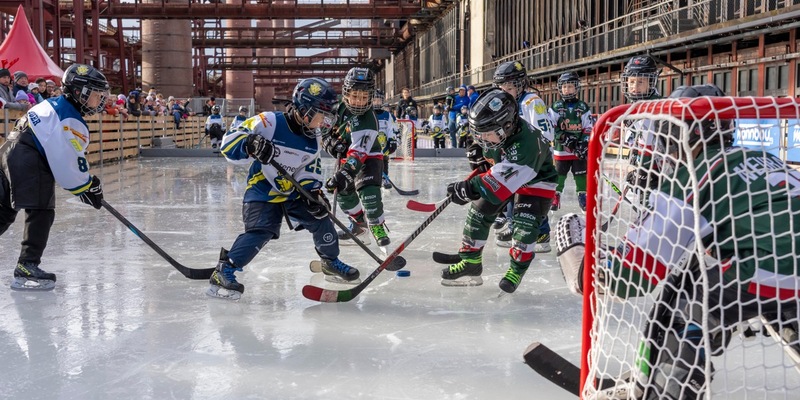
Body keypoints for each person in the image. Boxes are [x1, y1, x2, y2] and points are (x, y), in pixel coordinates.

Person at [555, 84, 800, 400]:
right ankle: (652, 377)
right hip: (782, 260)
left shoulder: (696, 173)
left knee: (685, 309)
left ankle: (667, 392)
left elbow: (631, 276)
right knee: (710, 283)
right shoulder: (760, 156)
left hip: (772, 266)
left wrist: (578, 260)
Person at [212, 78, 358, 300]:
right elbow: (229, 142)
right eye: (320, 114)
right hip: (262, 189)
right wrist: (250, 143)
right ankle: (225, 269)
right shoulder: (269, 122)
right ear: (303, 109)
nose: (323, 122)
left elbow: (308, 170)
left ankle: (329, 262)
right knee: (261, 231)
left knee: (321, 217)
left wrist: (313, 193)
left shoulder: (313, 137)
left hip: (293, 191)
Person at [0, 63, 109, 291]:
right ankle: (27, 265)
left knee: (5, 210)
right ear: (80, 92)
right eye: (96, 94)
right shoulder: (70, 118)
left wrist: (84, 185)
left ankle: (27, 264)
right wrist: (86, 186)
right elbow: (67, 160)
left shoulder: (54, 104)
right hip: (29, 157)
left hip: (10, 151)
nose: (99, 100)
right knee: (42, 210)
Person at [441, 88, 557, 293]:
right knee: (477, 213)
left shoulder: (526, 144)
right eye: (479, 133)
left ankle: (516, 269)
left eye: (486, 134)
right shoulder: (499, 132)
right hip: (509, 175)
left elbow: (498, 184)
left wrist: (468, 188)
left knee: (524, 227)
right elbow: (495, 161)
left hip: (537, 182)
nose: (482, 138)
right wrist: (482, 155)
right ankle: (471, 263)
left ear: (508, 125)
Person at [492, 60, 558, 253]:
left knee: (532, 196)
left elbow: (545, 133)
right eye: (501, 86)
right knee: (513, 194)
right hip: (516, 157)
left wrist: (528, 153)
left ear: (520, 84)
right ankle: (515, 227)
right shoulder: (507, 103)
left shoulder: (531, 101)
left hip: (533, 158)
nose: (505, 90)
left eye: (510, 87)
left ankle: (541, 234)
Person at [323, 67, 393, 249]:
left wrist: (345, 172)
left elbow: (359, 154)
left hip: (369, 156)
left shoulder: (368, 119)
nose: (359, 102)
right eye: (355, 96)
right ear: (346, 93)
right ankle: (359, 225)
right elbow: (323, 129)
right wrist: (329, 142)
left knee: (369, 191)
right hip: (348, 155)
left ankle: (377, 226)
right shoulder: (337, 107)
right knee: (342, 191)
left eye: (364, 98)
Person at [550, 71, 593, 212]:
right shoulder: (556, 107)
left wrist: (583, 143)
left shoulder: (582, 106)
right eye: (564, 87)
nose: (567, 89)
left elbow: (588, 127)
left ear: (576, 88)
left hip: (578, 150)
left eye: (570, 86)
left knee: (581, 173)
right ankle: (556, 195)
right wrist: (563, 137)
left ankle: (582, 195)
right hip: (561, 149)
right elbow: (551, 126)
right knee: (560, 174)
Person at [372, 90, 398, 189]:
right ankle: (373, 180)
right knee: (372, 163)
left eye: (379, 100)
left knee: (384, 162)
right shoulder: (369, 114)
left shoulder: (387, 115)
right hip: (372, 145)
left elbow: (391, 129)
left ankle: (385, 179)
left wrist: (392, 140)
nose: (377, 103)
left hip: (384, 144)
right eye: (375, 100)